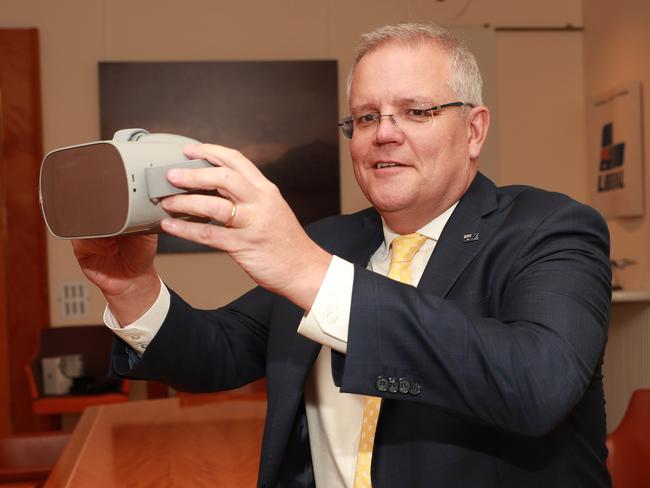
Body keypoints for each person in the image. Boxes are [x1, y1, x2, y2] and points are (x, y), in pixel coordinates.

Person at [72, 22, 612, 488]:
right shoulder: (332, 241)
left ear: (474, 130)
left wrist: (309, 273)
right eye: (366, 117)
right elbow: (218, 352)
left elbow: (536, 386)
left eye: (415, 111)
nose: (384, 134)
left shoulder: (551, 229)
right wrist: (132, 288)